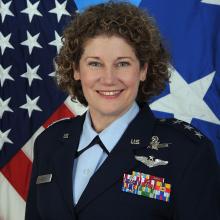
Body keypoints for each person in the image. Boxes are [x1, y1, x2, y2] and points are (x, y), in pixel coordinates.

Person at [25, 2, 220, 220]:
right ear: (76, 70)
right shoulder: (50, 143)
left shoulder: (187, 152)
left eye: (123, 64)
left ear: (144, 69)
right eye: (95, 64)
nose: (109, 79)